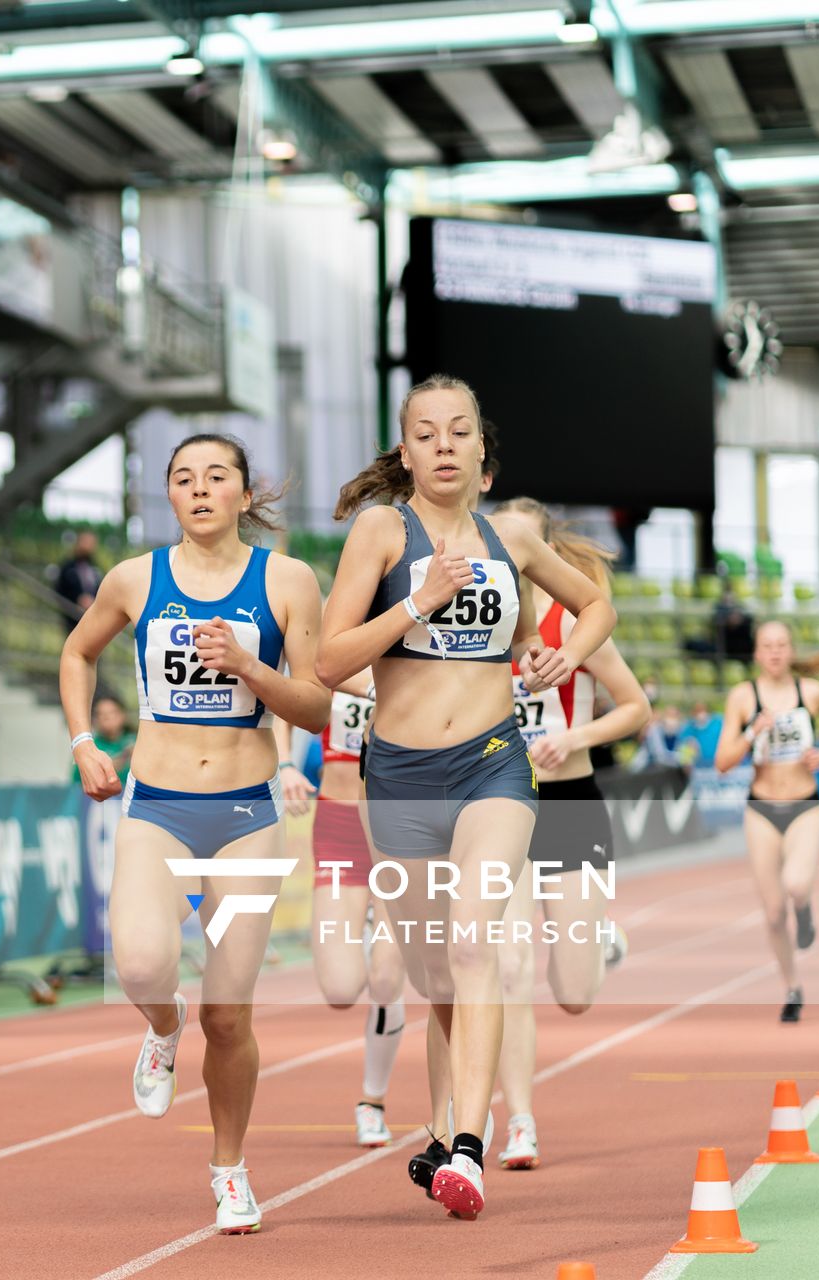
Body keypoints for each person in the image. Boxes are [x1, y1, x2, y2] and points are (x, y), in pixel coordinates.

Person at [319, 376, 615, 1220]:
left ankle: (471, 1148)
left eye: (460, 431)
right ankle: (446, 1126)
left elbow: (595, 604)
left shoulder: (511, 534)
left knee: (477, 940)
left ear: (484, 452)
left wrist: (565, 656)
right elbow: (331, 663)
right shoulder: (382, 530)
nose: (444, 444)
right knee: (433, 977)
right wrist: (419, 600)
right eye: (427, 432)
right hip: (400, 777)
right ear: (406, 452)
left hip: (493, 766)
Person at [61, 433, 329, 1236]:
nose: (200, 489)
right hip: (158, 808)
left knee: (230, 1014)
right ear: (169, 497)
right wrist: (84, 745)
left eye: (218, 477)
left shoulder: (287, 582)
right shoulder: (134, 579)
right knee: (142, 964)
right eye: (184, 478)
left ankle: (229, 1168)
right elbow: (77, 655)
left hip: (247, 815)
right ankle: (160, 1026)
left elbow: (318, 707)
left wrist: (251, 669)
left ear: (246, 496)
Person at [487, 496, 650, 1174]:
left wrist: (575, 735)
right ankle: (519, 1120)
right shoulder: (477, 624)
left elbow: (637, 707)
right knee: (510, 969)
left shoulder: (577, 624)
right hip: (502, 804)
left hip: (572, 801)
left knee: (574, 994)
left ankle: (598, 935)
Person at [275, 662, 409, 1149]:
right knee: (339, 988)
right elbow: (284, 696)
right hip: (340, 827)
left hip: (402, 824)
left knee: (388, 977)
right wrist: (286, 763)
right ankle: (373, 928)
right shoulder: (335, 641)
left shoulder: (416, 632)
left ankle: (372, 1101)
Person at [713, 621, 819, 1022]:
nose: (774, 652)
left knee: (795, 883)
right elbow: (722, 762)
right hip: (761, 808)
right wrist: (752, 731)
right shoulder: (743, 697)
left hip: (805, 804)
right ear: (756, 653)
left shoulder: (811, 693)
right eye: (767, 646)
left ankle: (804, 907)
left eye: (781, 645)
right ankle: (792, 987)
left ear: (791, 650)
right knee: (773, 913)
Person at [71, 694, 135, 785]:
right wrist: (125, 756)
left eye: (112, 713)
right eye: (100, 714)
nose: (106, 717)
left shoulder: (138, 741)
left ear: (123, 715)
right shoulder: (88, 746)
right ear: (94, 719)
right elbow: (77, 784)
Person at [54, 531, 105, 631]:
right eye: (86, 542)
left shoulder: (96, 569)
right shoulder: (67, 568)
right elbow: (60, 590)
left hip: (92, 618)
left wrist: (94, 602)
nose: (88, 546)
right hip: (72, 618)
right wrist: (77, 600)